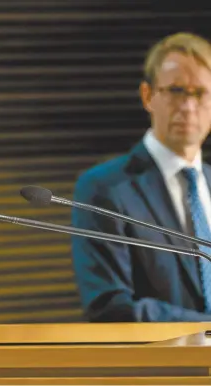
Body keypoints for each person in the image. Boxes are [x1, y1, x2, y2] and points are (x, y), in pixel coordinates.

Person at [71, 32, 211, 322]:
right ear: (148, 96)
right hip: (161, 365)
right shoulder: (104, 188)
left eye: (200, 93)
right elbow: (110, 305)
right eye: (175, 90)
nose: (188, 106)